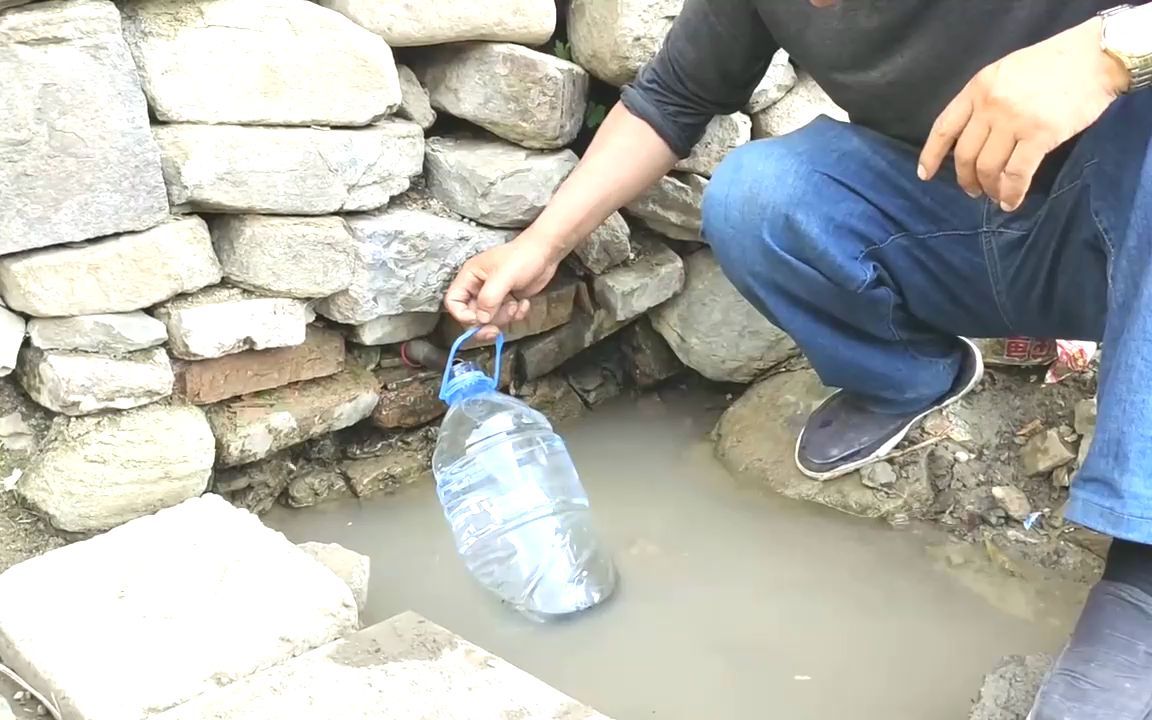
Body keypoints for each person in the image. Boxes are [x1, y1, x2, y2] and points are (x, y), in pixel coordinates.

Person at [444, 1, 1152, 716]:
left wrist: (1112, 51)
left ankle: (1141, 582)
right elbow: (672, 97)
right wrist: (542, 245)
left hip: (1121, 227)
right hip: (955, 226)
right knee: (759, 195)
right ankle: (907, 376)